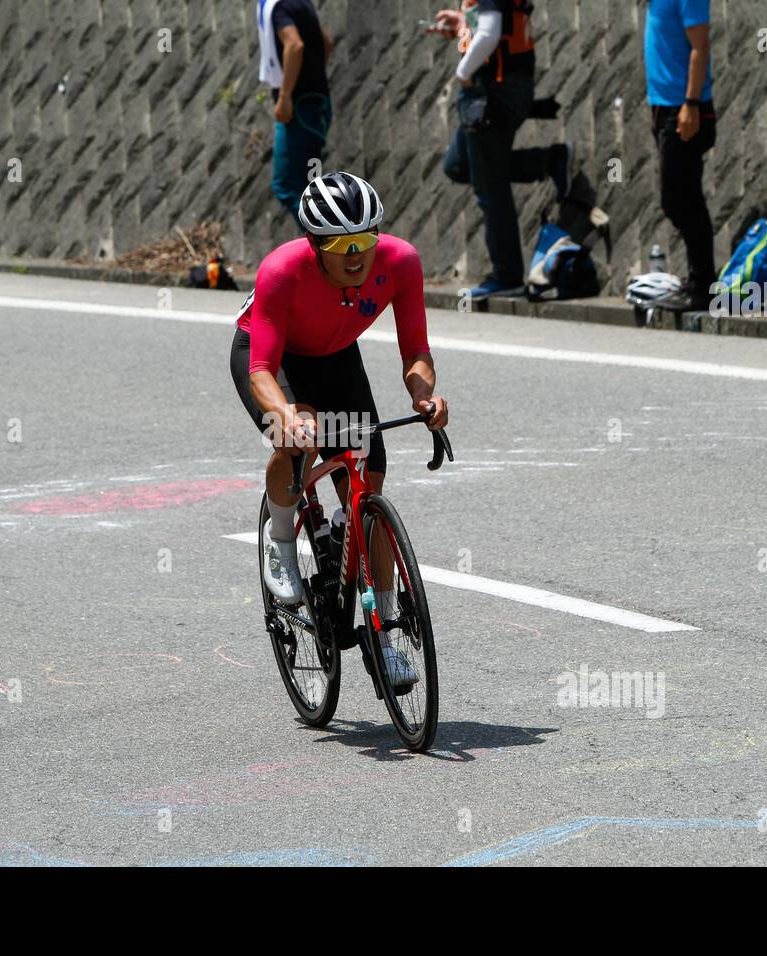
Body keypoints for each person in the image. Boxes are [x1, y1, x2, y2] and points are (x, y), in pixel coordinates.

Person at [229, 172, 449, 688]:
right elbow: (261, 369)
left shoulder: (401, 262)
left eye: (364, 240)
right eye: (340, 245)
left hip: (335, 358)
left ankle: (387, 634)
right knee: (295, 433)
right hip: (271, 357)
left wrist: (424, 396)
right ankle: (280, 540)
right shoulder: (282, 270)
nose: (356, 255)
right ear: (313, 243)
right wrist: (284, 415)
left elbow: (416, 351)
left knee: (367, 489)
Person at [432, 1, 573, 301]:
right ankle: (548, 161)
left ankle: (507, 275)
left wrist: (462, 72)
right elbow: (492, 21)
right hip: (502, 86)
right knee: (458, 165)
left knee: (490, 185)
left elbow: (490, 32)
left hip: (493, 91)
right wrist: (462, 23)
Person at [644, 0, 718, 313]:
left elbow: (700, 44)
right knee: (684, 198)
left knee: (680, 200)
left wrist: (690, 103)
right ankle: (700, 281)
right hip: (664, 108)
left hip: (684, 110)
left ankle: (703, 285)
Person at [257, 0, 334, 224]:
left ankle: (331, 247)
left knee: (289, 187)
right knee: (311, 188)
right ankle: (331, 246)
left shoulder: (277, 7)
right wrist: (312, 77)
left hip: (299, 109)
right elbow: (326, 43)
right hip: (318, 104)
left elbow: (294, 45)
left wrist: (285, 96)